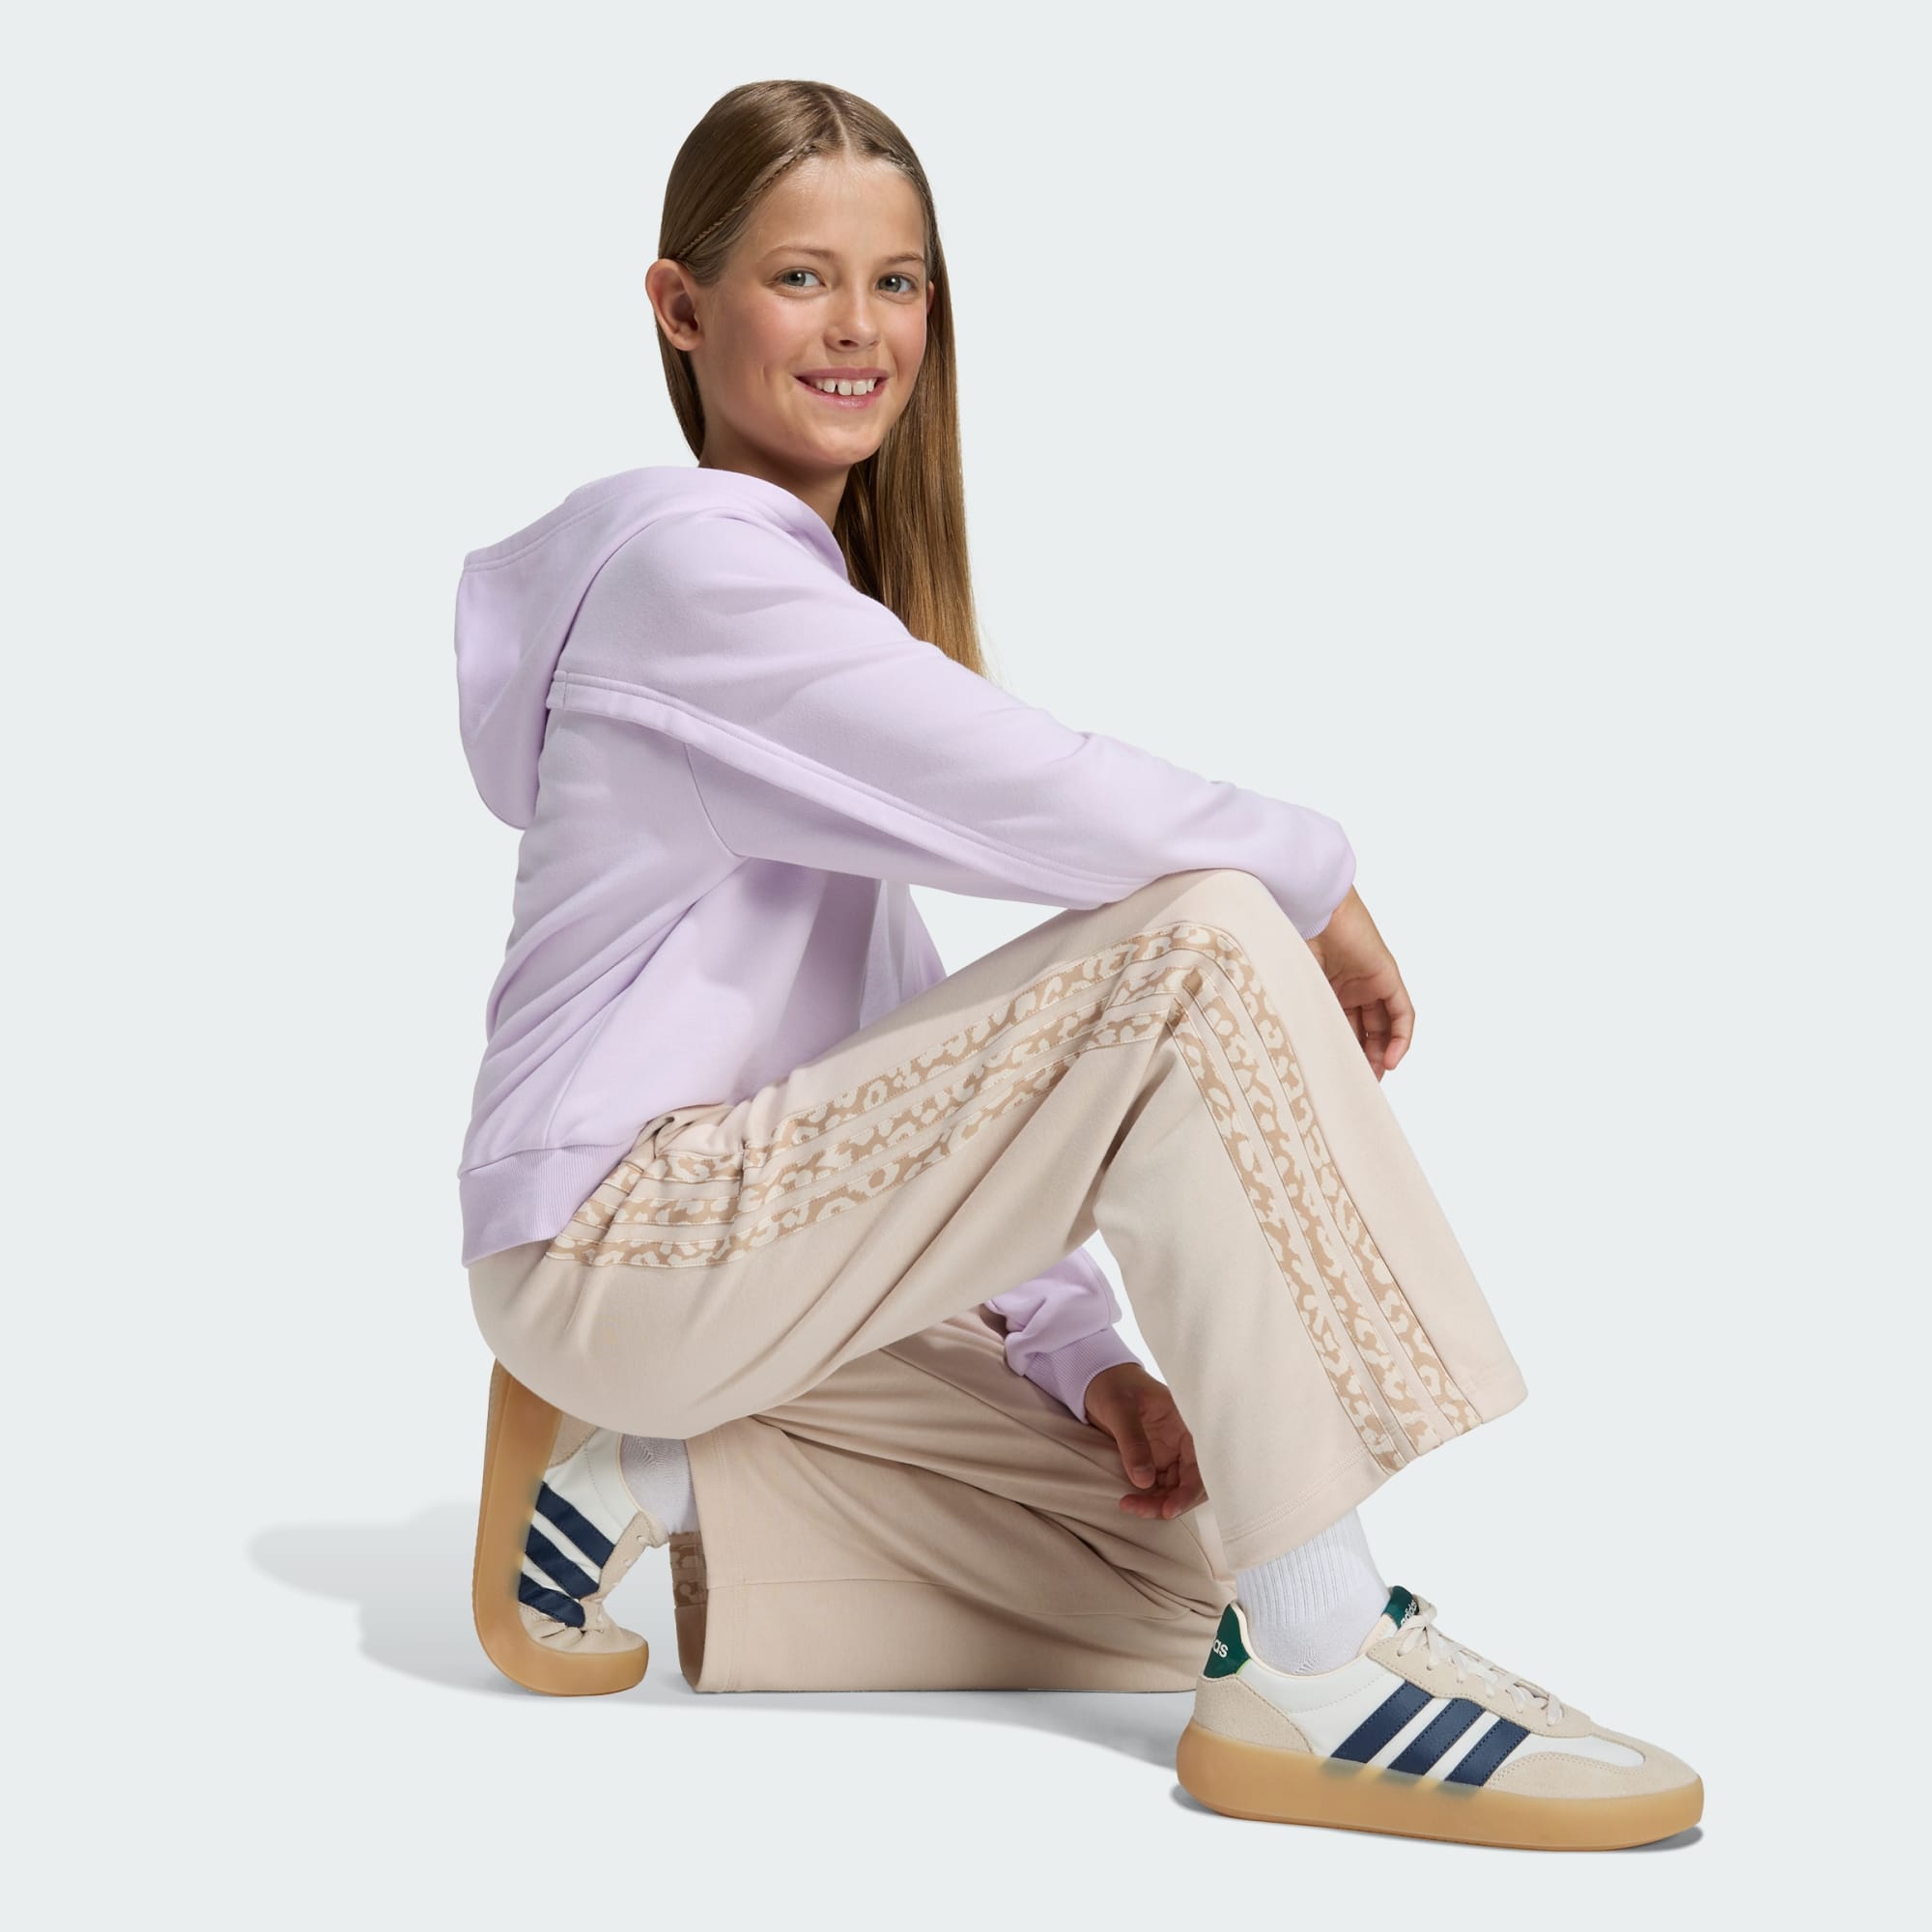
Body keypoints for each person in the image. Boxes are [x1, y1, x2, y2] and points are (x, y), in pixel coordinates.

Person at [453, 78, 1702, 1852]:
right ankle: (1321, 1675)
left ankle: (655, 1471)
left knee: (1192, 1567)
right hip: (623, 1249)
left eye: (897, 283)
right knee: (1202, 939)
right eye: (802, 277)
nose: (860, 328)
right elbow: (1041, 795)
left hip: (729, 1277)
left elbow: (894, 1020)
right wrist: (1316, 876)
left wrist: (1076, 1346)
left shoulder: (805, 606)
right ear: (681, 307)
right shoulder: (689, 577)